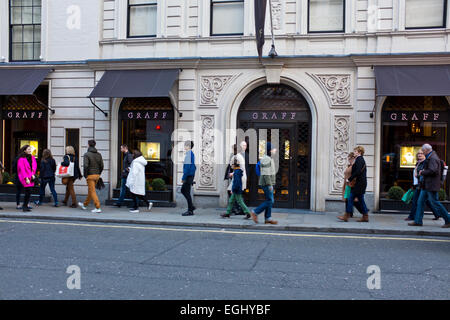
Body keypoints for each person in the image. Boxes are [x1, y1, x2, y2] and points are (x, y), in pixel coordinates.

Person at [409, 144, 450, 228]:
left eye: (423, 151)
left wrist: (422, 172)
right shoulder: (431, 157)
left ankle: (448, 220)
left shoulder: (433, 158)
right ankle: (418, 221)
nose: (422, 153)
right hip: (426, 185)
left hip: (431, 185)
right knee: (420, 202)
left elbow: (433, 170)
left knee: (435, 202)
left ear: (426, 150)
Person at [405, 150, 439, 221]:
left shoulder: (425, 163)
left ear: (424, 155)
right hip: (417, 184)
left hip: (421, 185)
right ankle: (437, 213)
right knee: (428, 201)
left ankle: (412, 216)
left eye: (421, 154)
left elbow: (423, 175)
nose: (419, 155)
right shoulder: (418, 163)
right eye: (418, 154)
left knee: (415, 201)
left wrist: (417, 176)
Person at [250, 142, 278, 225]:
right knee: (270, 200)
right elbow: (266, 173)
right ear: (270, 150)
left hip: (267, 183)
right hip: (266, 183)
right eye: (274, 149)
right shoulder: (266, 159)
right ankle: (255, 212)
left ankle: (268, 218)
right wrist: (269, 185)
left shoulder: (269, 158)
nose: (275, 150)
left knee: (269, 200)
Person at [343, 146, 369, 222]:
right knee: (360, 199)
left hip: (359, 184)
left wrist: (349, 179)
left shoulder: (360, 160)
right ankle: (365, 215)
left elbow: (357, 172)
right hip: (360, 183)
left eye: (355, 151)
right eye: (354, 151)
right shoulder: (358, 160)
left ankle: (347, 215)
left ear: (359, 152)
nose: (354, 152)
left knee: (351, 198)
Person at [79, 140, 104, 213]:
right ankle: (85, 205)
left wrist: (85, 175)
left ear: (88, 145)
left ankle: (98, 207)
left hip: (90, 175)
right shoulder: (99, 154)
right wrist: (98, 173)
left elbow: (86, 166)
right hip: (97, 175)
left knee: (92, 191)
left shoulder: (87, 154)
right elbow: (102, 166)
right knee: (91, 191)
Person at [226, 144, 248, 217]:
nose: (232, 150)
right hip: (238, 178)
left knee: (238, 198)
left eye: (232, 149)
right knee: (233, 198)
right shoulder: (238, 157)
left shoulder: (237, 158)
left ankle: (246, 212)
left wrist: (233, 174)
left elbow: (239, 170)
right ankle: (228, 212)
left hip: (238, 179)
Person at [17, 145, 37, 212]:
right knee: (28, 191)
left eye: (30, 149)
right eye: (28, 149)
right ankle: (25, 206)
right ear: (24, 150)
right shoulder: (21, 159)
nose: (30, 150)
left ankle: (25, 205)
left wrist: (33, 174)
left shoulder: (32, 157)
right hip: (25, 177)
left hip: (31, 176)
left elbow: (34, 166)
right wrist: (26, 178)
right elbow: (22, 169)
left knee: (29, 192)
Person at [338, 152, 358, 221]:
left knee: (350, 199)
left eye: (350, 158)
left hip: (351, 184)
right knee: (347, 199)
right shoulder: (349, 165)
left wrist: (351, 182)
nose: (349, 160)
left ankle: (349, 213)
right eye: (349, 158)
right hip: (347, 184)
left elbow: (355, 176)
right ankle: (349, 213)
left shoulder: (354, 166)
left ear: (353, 158)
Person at [181, 140, 196, 216]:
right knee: (185, 191)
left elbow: (187, 168)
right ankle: (191, 207)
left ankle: (190, 210)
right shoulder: (191, 154)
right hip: (190, 175)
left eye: (185, 145)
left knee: (185, 191)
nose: (184, 147)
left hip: (188, 176)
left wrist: (183, 178)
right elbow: (193, 166)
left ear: (188, 146)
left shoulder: (188, 155)